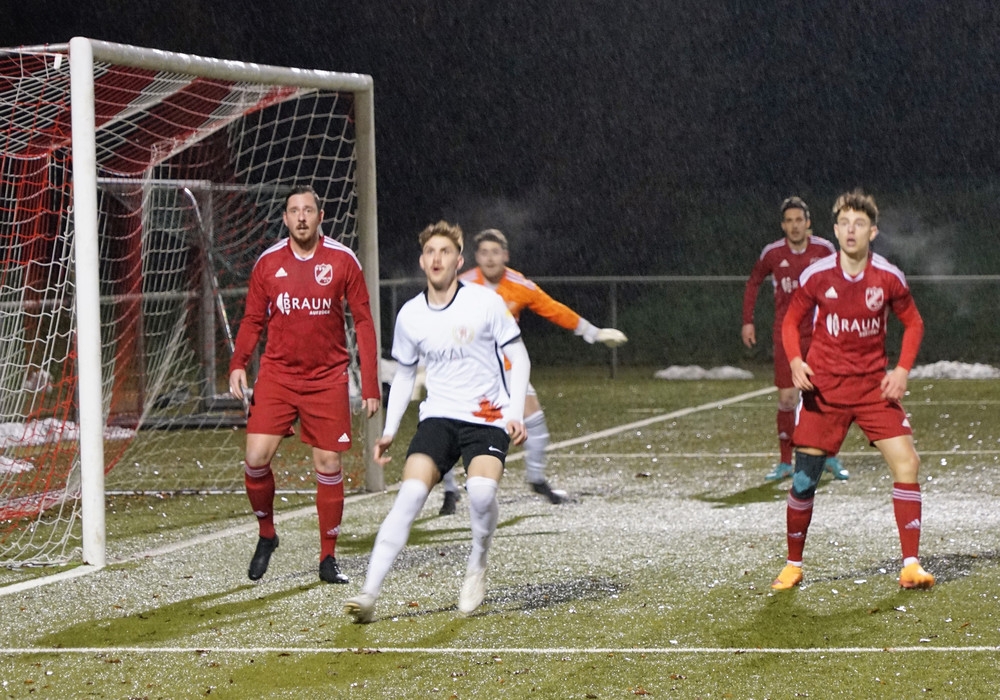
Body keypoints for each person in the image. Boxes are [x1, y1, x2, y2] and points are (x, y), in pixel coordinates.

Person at [343, 221, 530, 623]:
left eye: (445, 251)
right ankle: (369, 595)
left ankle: (478, 562)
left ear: (458, 261)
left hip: (486, 417)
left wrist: (514, 413)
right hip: (440, 417)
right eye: (430, 251)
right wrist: (390, 430)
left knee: (481, 493)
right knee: (410, 496)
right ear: (422, 261)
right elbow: (405, 375)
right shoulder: (411, 315)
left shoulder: (484, 303)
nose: (437, 258)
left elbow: (520, 356)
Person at [771, 189, 934, 591]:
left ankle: (911, 565)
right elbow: (790, 322)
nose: (850, 230)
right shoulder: (817, 275)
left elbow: (914, 323)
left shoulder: (888, 277)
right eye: (844, 222)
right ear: (835, 229)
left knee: (908, 463)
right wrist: (796, 361)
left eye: (859, 223)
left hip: (872, 389)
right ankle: (793, 564)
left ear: (872, 232)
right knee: (804, 480)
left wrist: (902, 370)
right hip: (825, 390)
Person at [228, 185, 380, 584]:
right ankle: (267, 534)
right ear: (284, 218)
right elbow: (252, 320)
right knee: (255, 459)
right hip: (278, 376)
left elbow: (364, 322)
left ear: (320, 216)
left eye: (308, 210)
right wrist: (238, 363)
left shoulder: (342, 260)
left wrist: (370, 384)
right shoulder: (268, 263)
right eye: (294, 210)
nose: (301, 217)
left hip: (327, 379)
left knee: (328, 463)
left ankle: (328, 557)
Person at [436, 228, 627, 512]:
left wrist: (593, 332)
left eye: (495, 252)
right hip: (469, 368)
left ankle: (537, 480)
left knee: (534, 418)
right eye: (484, 253)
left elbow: (553, 309)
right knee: (450, 424)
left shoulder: (519, 285)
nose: (490, 258)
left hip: (508, 367)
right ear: (476, 257)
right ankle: (450, 491)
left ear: (505, 255)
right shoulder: (462, 285)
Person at [742, 197, 848, 482]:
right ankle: (785, 462)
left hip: (819, 334)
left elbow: (843, 281)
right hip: (785, 335)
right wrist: (748, 321)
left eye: (799, 220)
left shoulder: (824, 250)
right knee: (788, 399)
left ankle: (830, 456)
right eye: (789, 221)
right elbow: (753, 282)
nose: (794, 226)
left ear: (808, 222)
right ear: (783, 225)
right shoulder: (773, 253)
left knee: (826, 397)